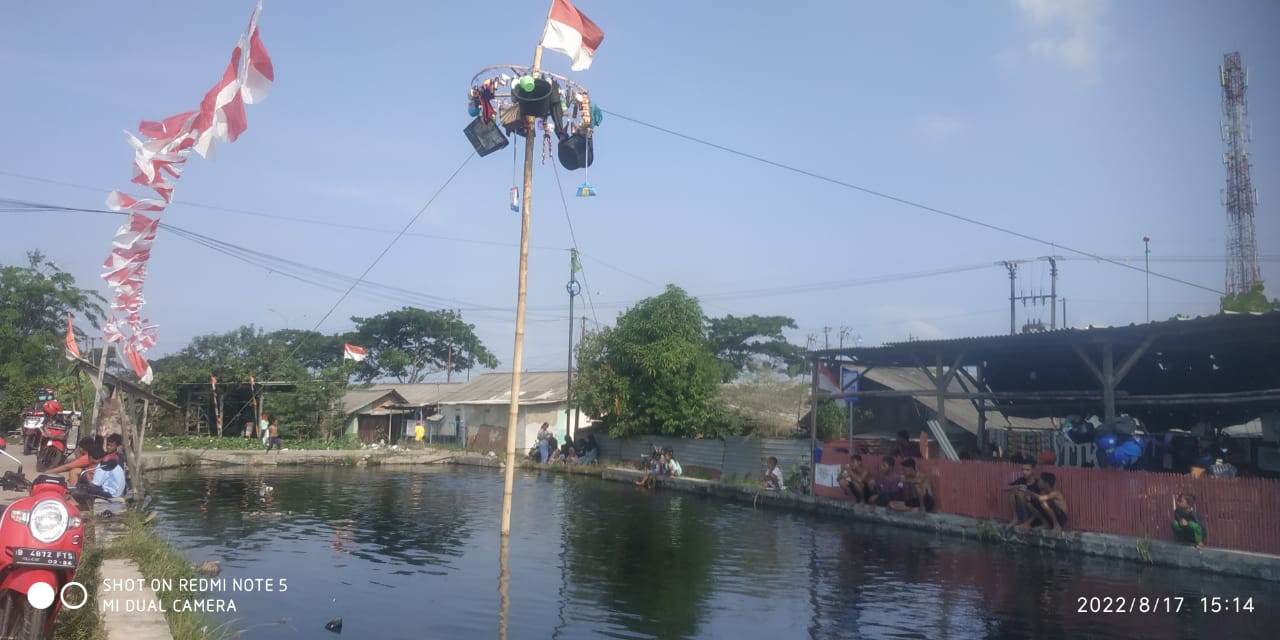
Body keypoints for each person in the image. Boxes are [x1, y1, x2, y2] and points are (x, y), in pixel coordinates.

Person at [1004, 460, 1046, 531]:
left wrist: (1029, 494)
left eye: (1027, 470)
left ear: (1033, 471)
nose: (1024, 472)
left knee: (1021, 494)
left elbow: (1042, 500)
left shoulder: (1038, 484)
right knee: (1013, 492)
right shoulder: (1021, 480)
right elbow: (1005, 488)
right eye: (1023, 469)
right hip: (1023, 511)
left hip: (1035, 514)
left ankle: (1026, 522)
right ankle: (1016, 518)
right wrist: (1016, 486)